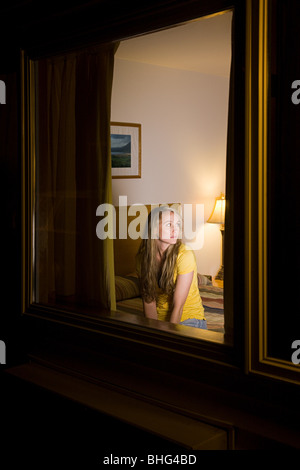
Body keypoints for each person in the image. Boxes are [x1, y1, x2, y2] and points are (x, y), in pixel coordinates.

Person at [136, 205, 207, 329]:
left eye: (178, 224)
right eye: (169, 225)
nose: (176, 230)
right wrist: (153, 331)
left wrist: (168, 336)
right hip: (160, 319)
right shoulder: (142, 259)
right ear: (153, 230)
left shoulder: (185, 254)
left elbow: (178, 306)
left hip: (189, 317)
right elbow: (149, 301)